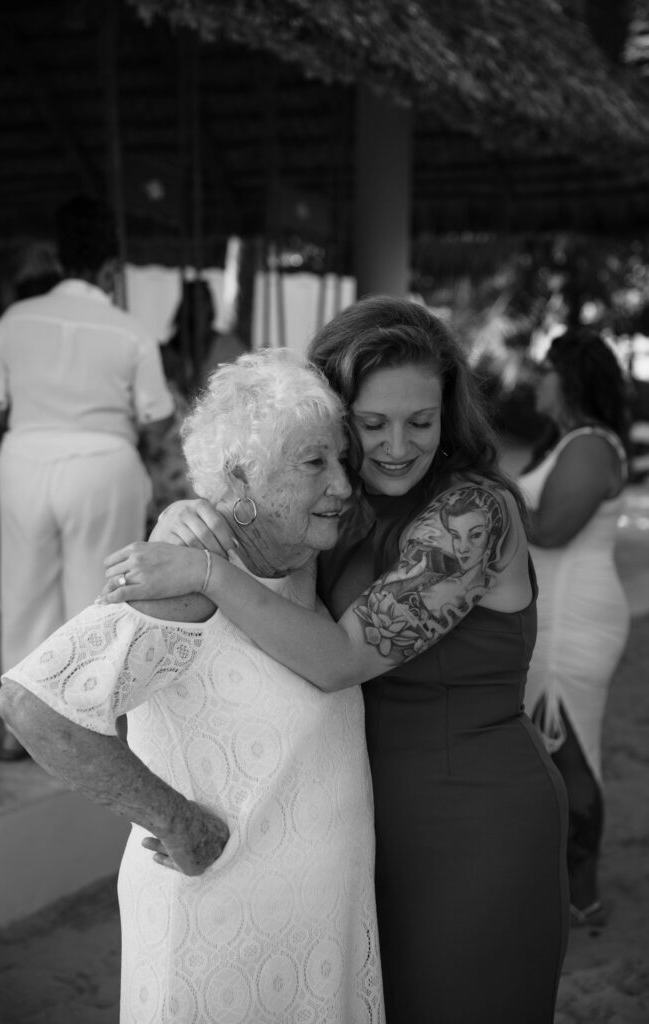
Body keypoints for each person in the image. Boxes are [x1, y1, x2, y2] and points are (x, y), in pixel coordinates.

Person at [100, 296, 570, 1024]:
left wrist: (205, 573)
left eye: (420, 421)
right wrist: (183, 523)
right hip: (355, 824)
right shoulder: (340, 505)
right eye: (370, 423)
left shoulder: (472, 514)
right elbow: (250, 529)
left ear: (449, 416)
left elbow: (339, 657)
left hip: (475, 821)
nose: (395, 446)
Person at [0, 350, 384, 1024]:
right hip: (219, 932)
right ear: (241, 479)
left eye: (341, 461)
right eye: (314, 463)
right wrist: (175, 821)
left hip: (311, 935)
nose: (343, 486)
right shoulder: (186, 585)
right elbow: (33, 706)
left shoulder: (298, 563)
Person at [0, 195, 175, 759]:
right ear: (111, 268)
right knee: (97, 592)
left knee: (25, 587)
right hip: (101, 462)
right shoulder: (128, 328)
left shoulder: (13, 321)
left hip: (25, 461)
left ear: (60, 258)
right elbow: (157, 415)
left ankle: (21, 728)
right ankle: (88, 718)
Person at [518, 329, 631, 928]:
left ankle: (580, 894)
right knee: (553, 749)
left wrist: (487, 477)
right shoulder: (568, 442)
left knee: (572, 753)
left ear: (571, 379)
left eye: (546, 371)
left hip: (573, 620)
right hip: (554, 612)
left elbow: (553, 528)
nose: (538, 382)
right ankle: (566, 884)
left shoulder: (590, 444)